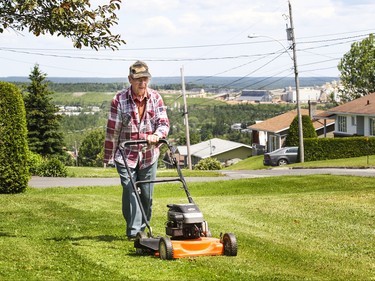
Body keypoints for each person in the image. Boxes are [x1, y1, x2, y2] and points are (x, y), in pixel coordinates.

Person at [104, 60, 170, 240]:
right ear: (130, 79)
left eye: (145, 79)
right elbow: (112, 131)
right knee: (131, 189)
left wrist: (157, 135)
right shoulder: (119, 100)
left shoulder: (156, 98)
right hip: (126, 154)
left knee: (147, 195)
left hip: (149, 155)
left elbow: (163, 123)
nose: (142, 83)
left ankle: (143, 227)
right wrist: (107, 157)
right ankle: (134, 233)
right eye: (138, 79)